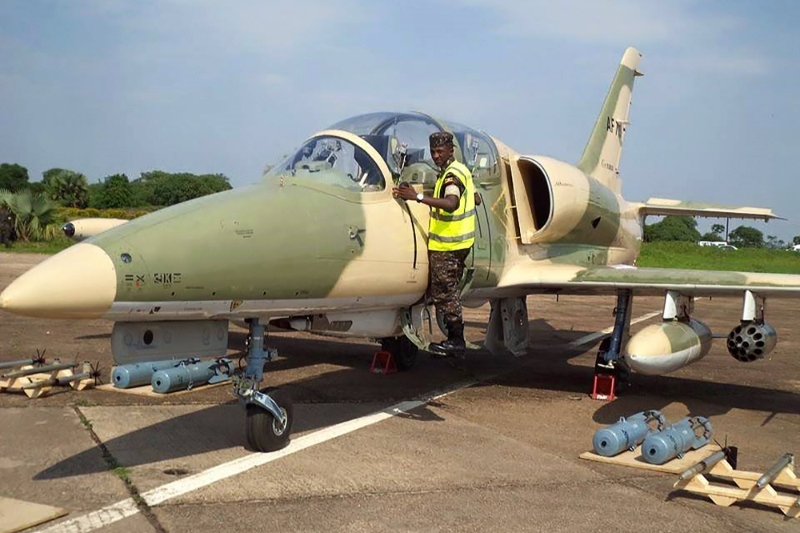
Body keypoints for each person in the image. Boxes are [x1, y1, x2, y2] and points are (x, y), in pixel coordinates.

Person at [392, 131, 476, 357]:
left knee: (445, 292)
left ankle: (456, 340)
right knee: (445, 291)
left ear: (451, 150)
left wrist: (416, 197)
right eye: (433, 152)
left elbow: (451, 203)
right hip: (457, 243)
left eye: (440, 151)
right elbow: (474, 198)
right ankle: (454, 338)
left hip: (449, 246)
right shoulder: (459, 171)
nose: (436, 156)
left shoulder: (451, 175)